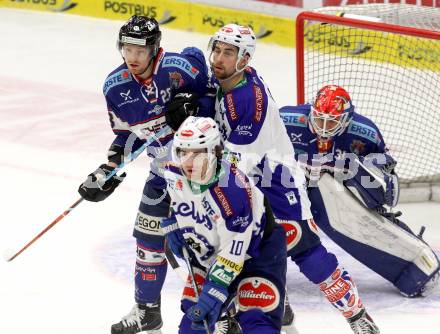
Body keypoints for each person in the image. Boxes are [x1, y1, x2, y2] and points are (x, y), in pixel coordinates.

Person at [206, 24, 379, 333]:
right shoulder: (224, 81)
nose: (218, 58)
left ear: (244, 58)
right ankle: (244, 311)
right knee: (226, 246)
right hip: (241, 178)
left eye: (228, 53)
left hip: (275, 183)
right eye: (216, 50)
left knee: (304, 249)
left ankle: (357, 317)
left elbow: (237, 162)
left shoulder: (249, 97)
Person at [77, 15, 212, 334]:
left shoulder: (178, 68)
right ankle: (147, 311)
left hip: (203, 170)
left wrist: (195, 103)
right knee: (147, 236)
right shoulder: (115, 87)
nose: (132, 57)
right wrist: (109, 170)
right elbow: (127, 135)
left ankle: (225, 310)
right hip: (162, 170)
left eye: (140, 50)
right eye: (127, 48)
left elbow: (213, 96)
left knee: (207, 244)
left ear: (155, 49)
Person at [279, 84, 440, 298]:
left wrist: (351, 167)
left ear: (347, 119)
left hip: (334, 193)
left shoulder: (365, 132)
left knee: (347, 192)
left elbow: (388, 189)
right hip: (284, 188)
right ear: (311, 111)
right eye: (319, 119)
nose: (324, 127)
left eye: (333, 121)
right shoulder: (286, 119)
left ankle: (412, 267)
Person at [161, 116, 288, 333]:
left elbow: (233, 255)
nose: (189, 162)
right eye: (183, 153)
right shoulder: (174, 173)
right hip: (210, 251)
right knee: (192, 325)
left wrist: (215, 290)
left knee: (257, 322)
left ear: (214, 152)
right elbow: (168, 198)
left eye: (197, 154)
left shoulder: (232, 191)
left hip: (257, 253)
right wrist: (173, 224)